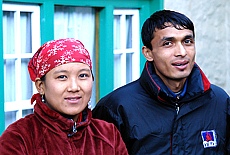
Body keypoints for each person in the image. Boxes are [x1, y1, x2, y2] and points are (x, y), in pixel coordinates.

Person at [92, 10, 230, 155]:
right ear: (148, 53)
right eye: (168, 43)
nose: (182, 52)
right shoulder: (117, 107)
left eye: (187, 41)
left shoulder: (219, 100)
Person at [0, 38, 128, 155]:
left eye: (83, 75)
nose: (74, 87)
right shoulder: (19, 138)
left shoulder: (107, 134)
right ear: (40, 86)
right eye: (62, 77)